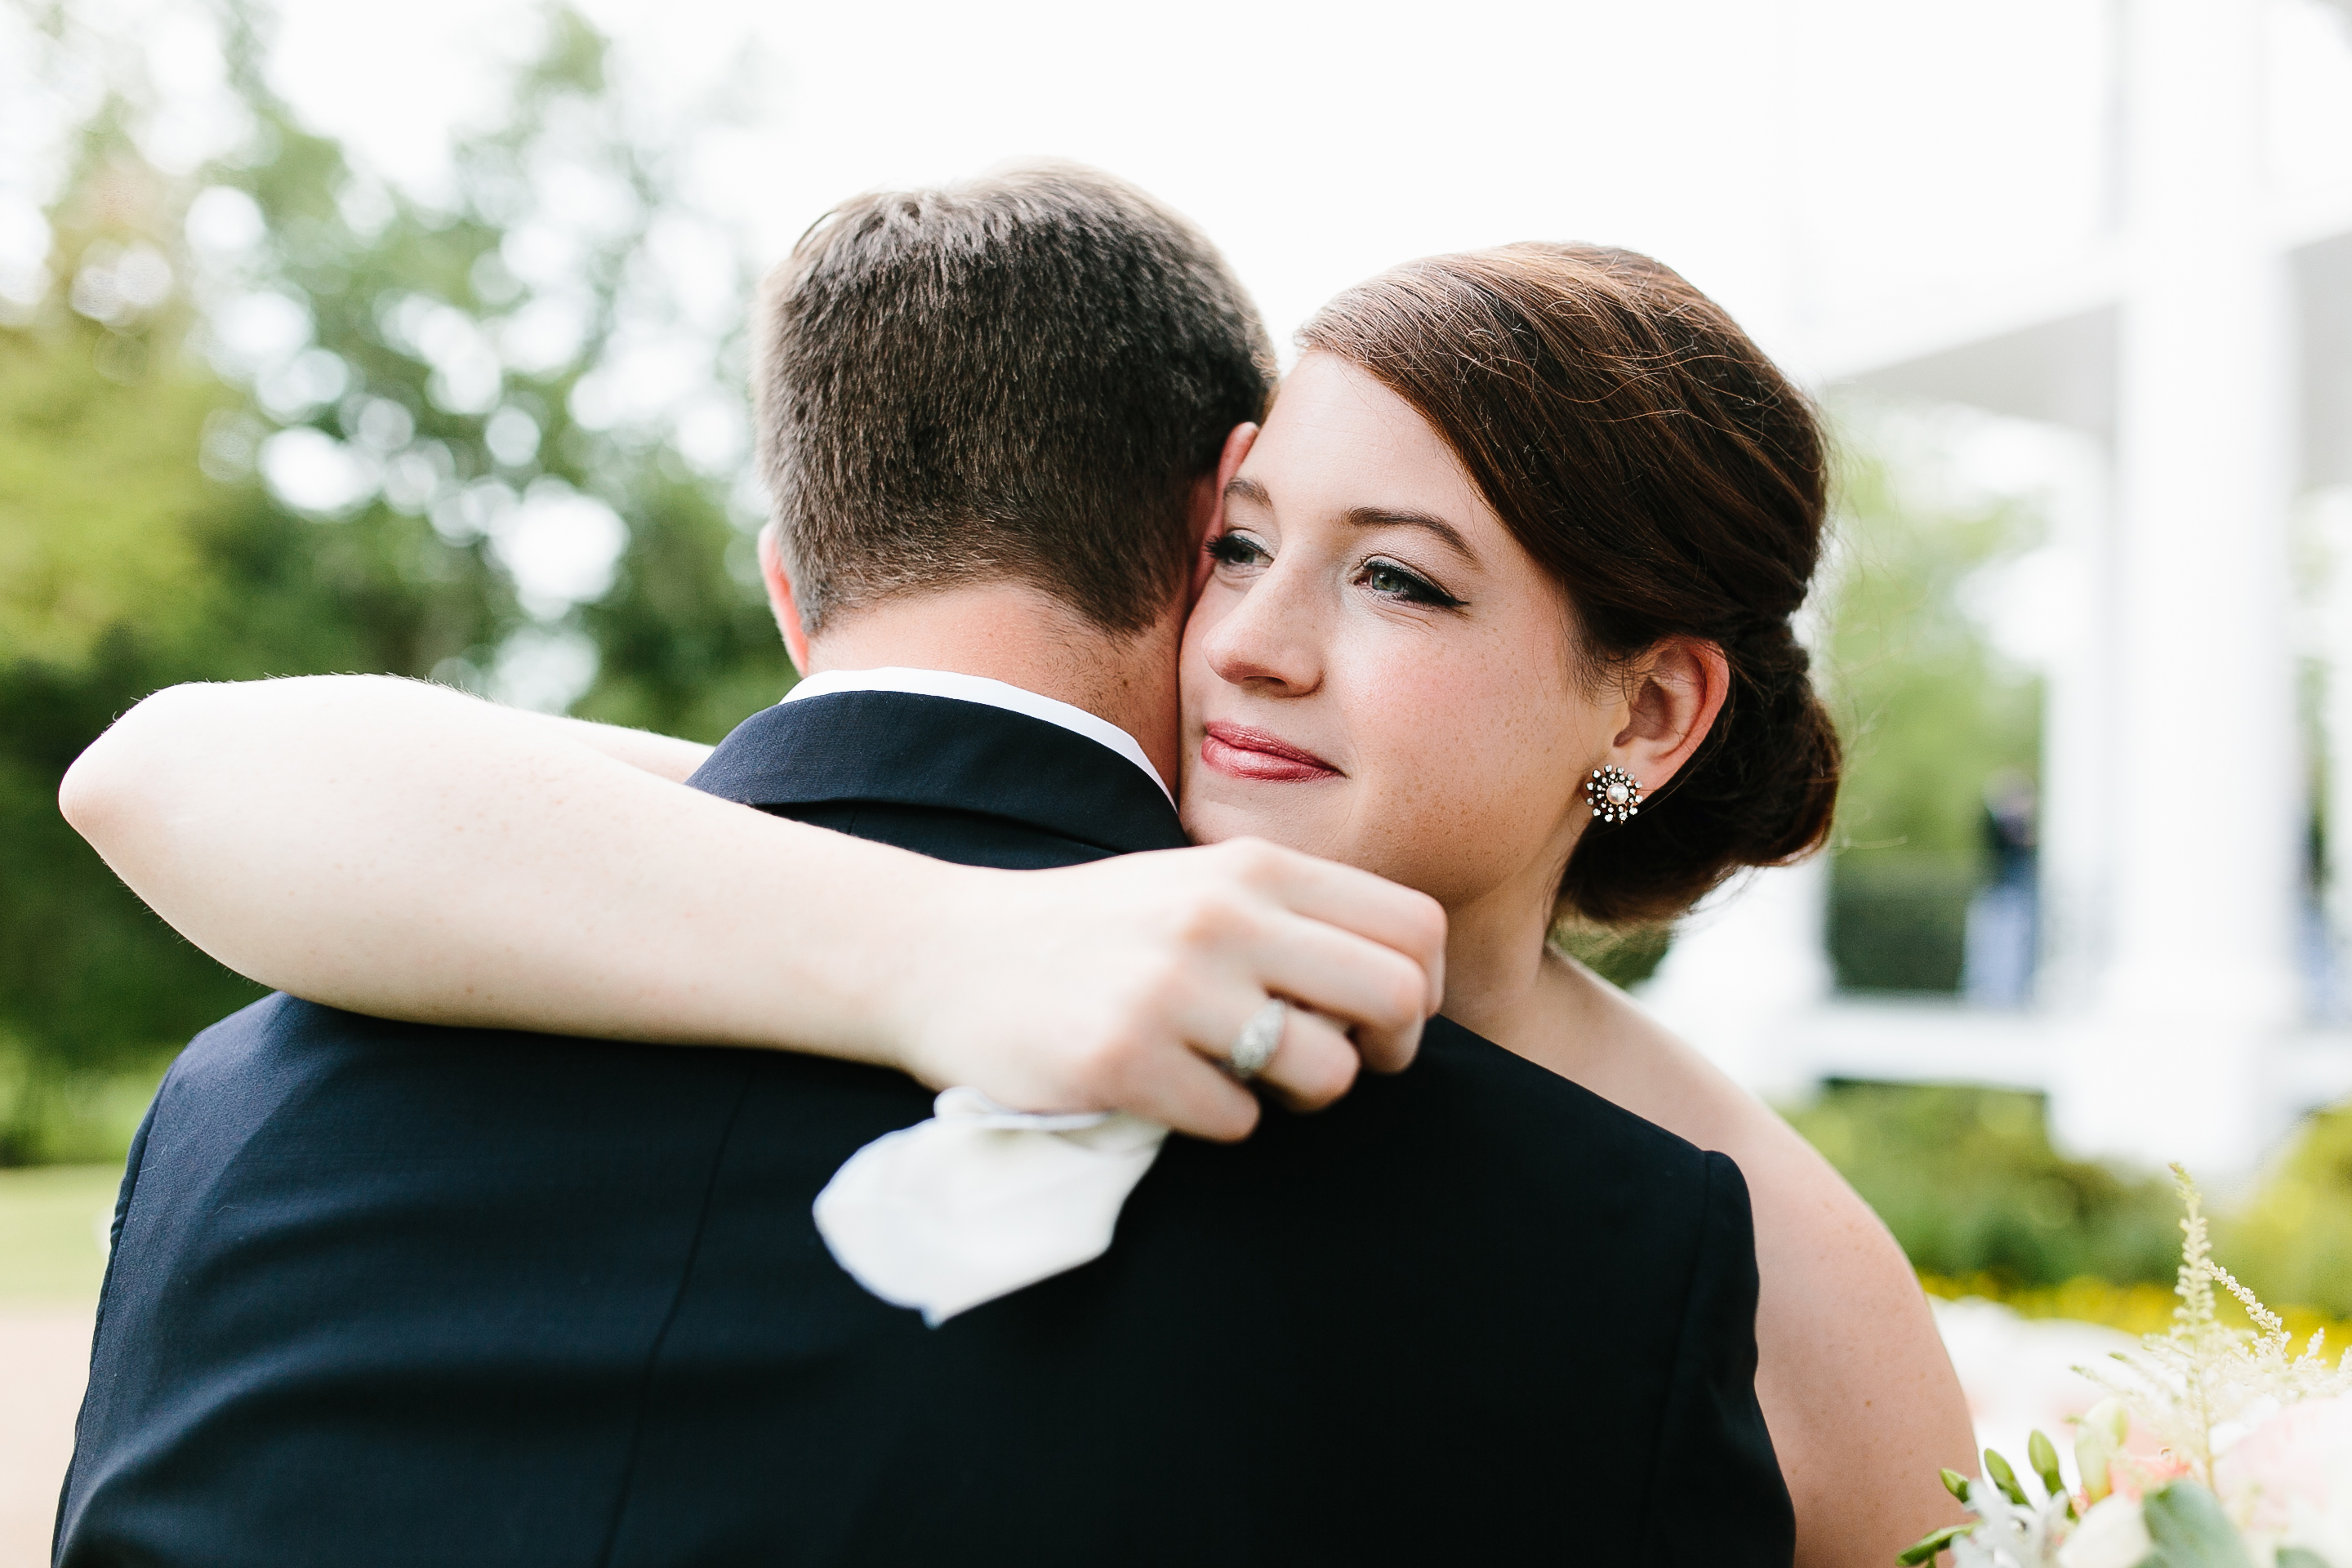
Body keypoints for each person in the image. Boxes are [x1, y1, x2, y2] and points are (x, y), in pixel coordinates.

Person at [55, 168, 1808, 1566]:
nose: (1270, 642)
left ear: (789, 595)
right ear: (1201, 541)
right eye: (1258, 553)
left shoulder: (234, 1110)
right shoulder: (1594, 1254)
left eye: (1396, 578)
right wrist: (955, 947)